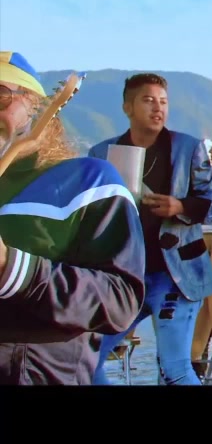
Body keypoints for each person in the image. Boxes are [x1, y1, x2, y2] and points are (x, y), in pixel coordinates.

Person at [0, 51, 147, 385]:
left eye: (1, 97)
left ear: (37, 109)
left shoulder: (88, 181)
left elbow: (120, 300)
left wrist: (13, 268)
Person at [89, 73, 212, 385]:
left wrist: (181, 207)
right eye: (148, 100)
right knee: (83, 361)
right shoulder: (101, 154)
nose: (158, 108)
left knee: (175, 370)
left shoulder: (188, 148)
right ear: (127, 107)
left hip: (175, 276)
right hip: (123, 276)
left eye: (163, 101)